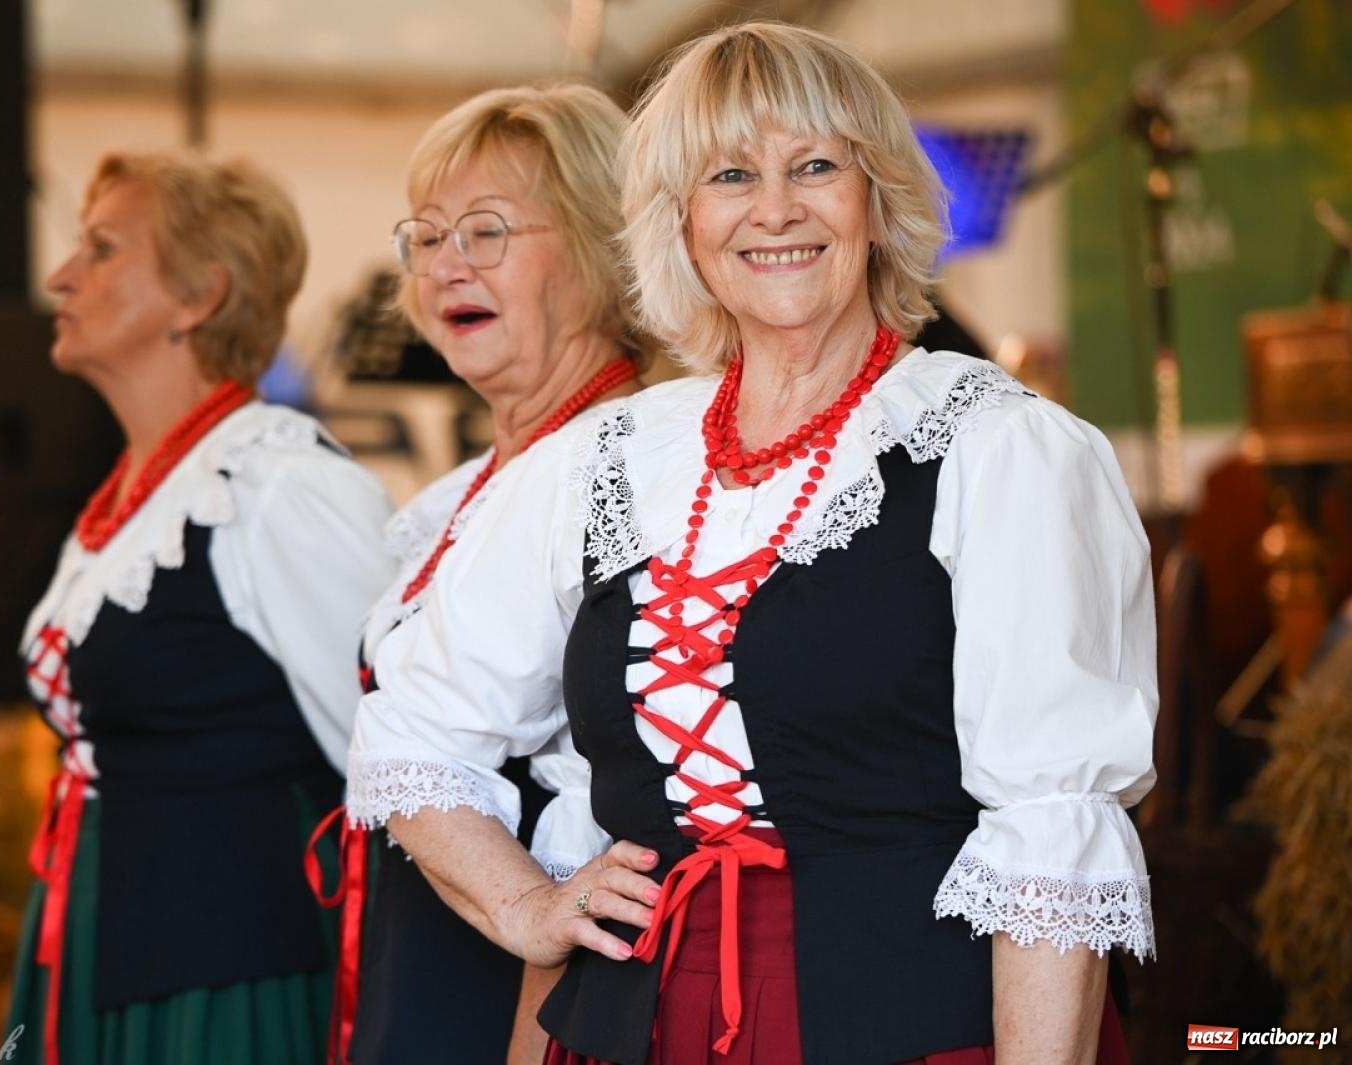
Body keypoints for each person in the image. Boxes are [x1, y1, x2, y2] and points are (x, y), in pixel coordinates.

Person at [347, 22, 1155, 1065]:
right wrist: (526, 908)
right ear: (678, 223)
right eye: (729, 175)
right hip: (630, 1028)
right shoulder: (607, 459)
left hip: (908, 1029)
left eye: (815, 166)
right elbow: (416, 734)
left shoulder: (998, 450)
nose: (774, 208)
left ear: (877, 199)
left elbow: (1056, 828)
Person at [9, 151, 393, 1065]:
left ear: (198, 296)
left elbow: (393, 758)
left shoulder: (275, 482)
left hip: (224, 974)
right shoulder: (145, 489)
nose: (61, 276)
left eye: (102, 249)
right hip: (109, 937)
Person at [325, 84, 645, 1065]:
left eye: (487, 231)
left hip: (526, 986)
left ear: (600, 244)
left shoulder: (628, 467)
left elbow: (616, 777)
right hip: (430, 942)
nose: (444, 264)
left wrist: (533, 938)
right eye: (425, 237)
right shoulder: (476, 487)